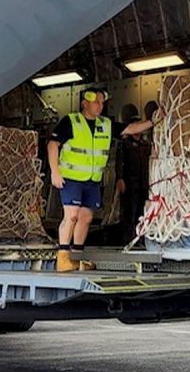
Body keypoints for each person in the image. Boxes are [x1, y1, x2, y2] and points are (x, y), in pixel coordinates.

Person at [47, 88, 162, 272]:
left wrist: (152, 121)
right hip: (71, 179)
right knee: (72, 215)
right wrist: (55, 171)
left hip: (92, 180)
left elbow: (131, 128)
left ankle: (75, 257)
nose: (100, 106)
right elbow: (53, 144)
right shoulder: (71, 121)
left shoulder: (105, 124)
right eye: (96, 102)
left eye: (102, 103)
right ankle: (62, 257)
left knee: (86, 218)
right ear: (85, 103)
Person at [117, 115, 153, 245]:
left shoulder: (145, 145)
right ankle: (128, 238)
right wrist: (120, 179)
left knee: (141, 213)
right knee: (129, 213)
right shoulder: (125, 144)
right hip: (130, 183)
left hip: (143, 183)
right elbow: (119, 162)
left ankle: (140, 238)